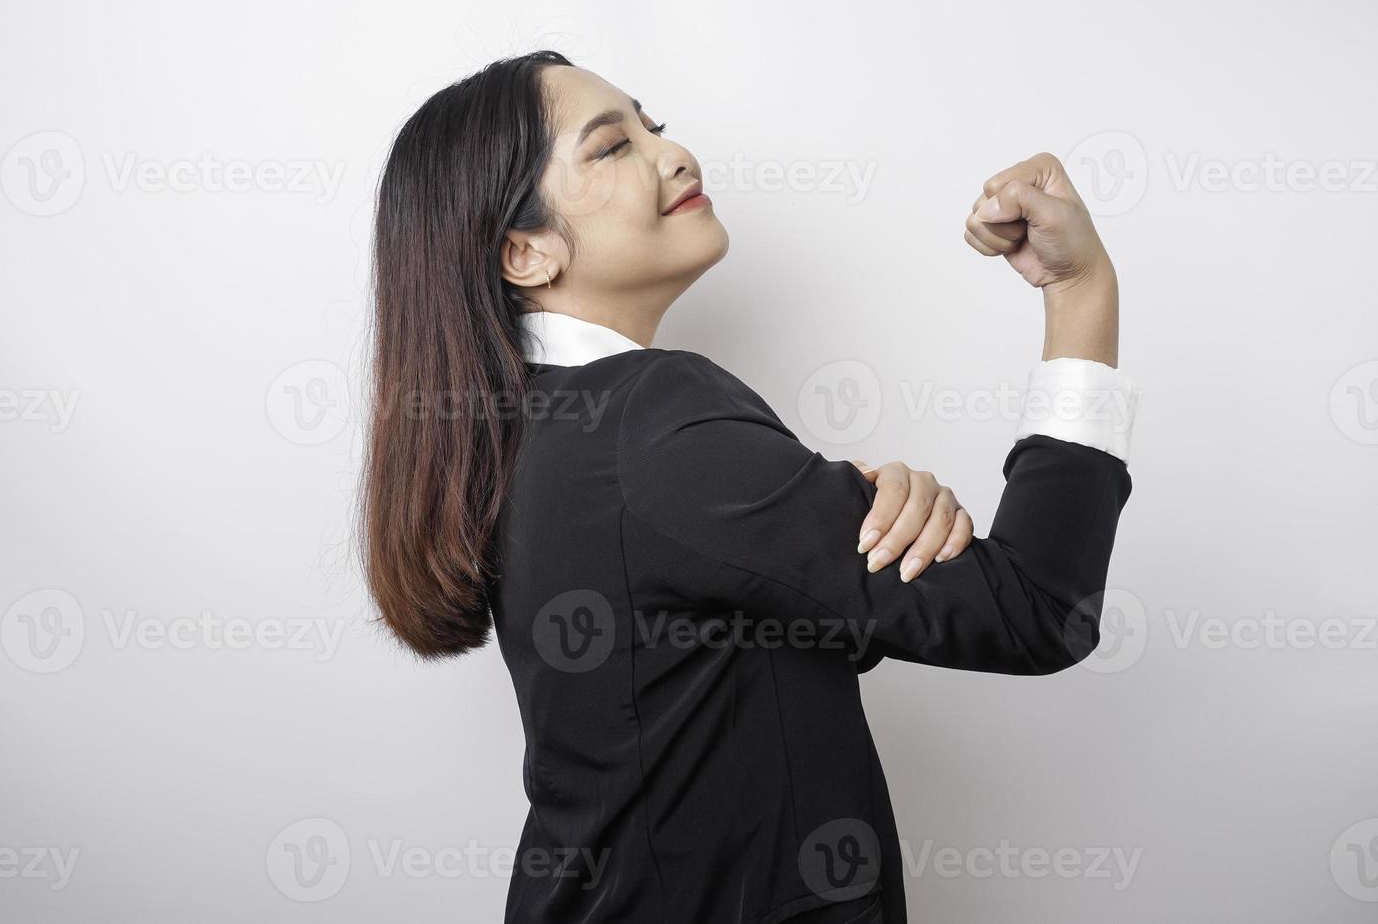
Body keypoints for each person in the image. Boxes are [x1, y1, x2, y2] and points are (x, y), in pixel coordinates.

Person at [359, 49, 1139, 924]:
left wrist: (847, 524)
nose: (675, 151)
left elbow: (711, 640)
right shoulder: (651, 415)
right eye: (613, 146)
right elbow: (1037, 610)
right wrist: (1080, 289)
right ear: (524, 252)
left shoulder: (538, 430)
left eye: (652, 124)